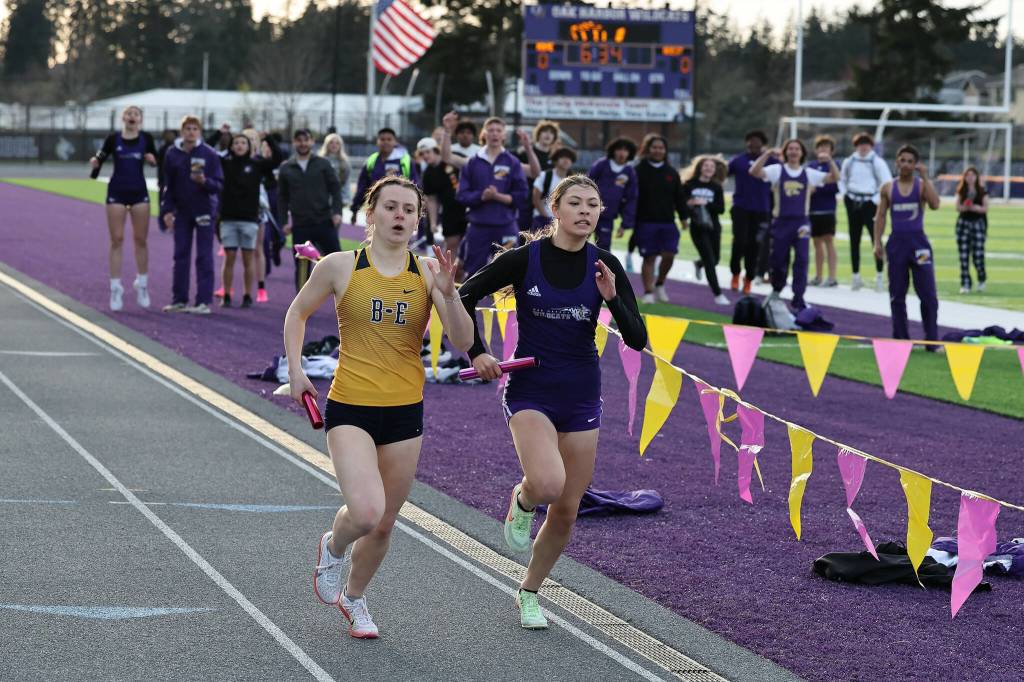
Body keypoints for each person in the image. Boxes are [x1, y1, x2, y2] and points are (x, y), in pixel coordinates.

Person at [284, 176, 474, 639]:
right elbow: (297, 313)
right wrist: (295, 370)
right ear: (370, 214)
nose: (400, 216)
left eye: (410, 210)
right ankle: (333, 545)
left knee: (385, 524)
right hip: (351, 405)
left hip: (406, 412)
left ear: (418, 219)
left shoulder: (429, 272)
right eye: (390, 207)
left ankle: (354, 597)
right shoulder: (339, 265)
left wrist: (450, 294)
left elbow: (465, 342)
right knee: (366, 513)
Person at [458, 175, 647, 629]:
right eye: (576, 203)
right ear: (555, 209)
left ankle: (529, 591)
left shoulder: (605, 265)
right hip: (531, 389)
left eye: (594, 205)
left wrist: (612, 300)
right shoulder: (526, 259)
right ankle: (523, 498)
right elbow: (465, 295)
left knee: (566, 510)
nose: (585, 211)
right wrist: (479, 352)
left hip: (582, 393)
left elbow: (638, 339)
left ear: (601, 213)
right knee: (546, 484)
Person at [750, 139, 839, 312]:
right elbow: (754, 171)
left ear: (802, 152)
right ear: (785, 152)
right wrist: (767, 154)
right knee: (778, 260)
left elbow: (835, 177)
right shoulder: (777, 170)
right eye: (790, 149)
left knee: (802, 260)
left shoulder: (808, 173)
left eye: (797, 149)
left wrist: (829, 161)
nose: (793, 151)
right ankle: (777, 289)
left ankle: (798, 298)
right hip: (781, 222)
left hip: (801, 223)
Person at [90, 105, 158, 311]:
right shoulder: (113, 139)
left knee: (140, 240)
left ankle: (142, 284)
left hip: (139, 192)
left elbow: (156, 161)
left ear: (140, 120)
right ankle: (115, 287)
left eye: (136, 114)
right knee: (117, 239)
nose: (132, 117)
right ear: (123, 118)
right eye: (129, 114)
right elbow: (99, 158)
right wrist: (94, 167)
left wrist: (153, 161)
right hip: (117, 192)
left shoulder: (146, 138)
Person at [873, 145, 941, 345]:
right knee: (897, 294)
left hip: (919, 244)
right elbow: (881, 216)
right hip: (896, 244)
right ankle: (901, 339)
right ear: (897, 162)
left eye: (910, 161)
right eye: (902, 160)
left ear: (916, 164)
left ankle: (931, 340)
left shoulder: (921, 186)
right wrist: (877, 242)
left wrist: (926, 177)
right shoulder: (887, 187)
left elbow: (935, 204)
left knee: (928, 294)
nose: (906, 164)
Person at [160, 115, 224, 315]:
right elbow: (167, 185)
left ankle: (203, 301)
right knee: (180, 256)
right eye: (187, 128)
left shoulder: (209, 154)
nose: (191, 132)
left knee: (204, 256)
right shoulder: (172, 154)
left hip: (204, 210)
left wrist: (204, 181)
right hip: (181, 212)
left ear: (200, 132)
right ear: (181, 131)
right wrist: (166, 211)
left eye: (195, 128)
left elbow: (219, 185)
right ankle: (179, 299)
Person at [455, 117, 529, 278]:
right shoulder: (473, 162)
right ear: (484, 134)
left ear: (504, 136)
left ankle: (508, 305)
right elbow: (462, 195)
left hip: (506, 226)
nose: (494, 134)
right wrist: (482, 196)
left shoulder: (513, 162)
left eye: (498, 130)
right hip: (478, 227)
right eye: (491, 130)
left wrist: (498, 197)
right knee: (473, 273)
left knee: (509, 272)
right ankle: (470, 303)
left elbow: (522, 195)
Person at [218, 133, 281, 308]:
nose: (239, 145)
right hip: (228, 219)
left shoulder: (257, 165)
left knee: (247, 259)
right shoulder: (225, 164)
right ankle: (227, 294)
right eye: (236, 142)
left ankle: (247, 295)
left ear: (249, 146)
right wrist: (219, 134)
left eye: (243, 143)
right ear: (231, 146)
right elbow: (209, 153)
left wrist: (268, 138)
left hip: (249, 220)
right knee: (229, 257)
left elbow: (277, 159)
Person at [277, 129, 344, 290]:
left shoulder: (323, 163)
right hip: (300, 225)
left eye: (306, 140)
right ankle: (301, 310)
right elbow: (282, 198)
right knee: (301, 269)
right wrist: (284, 222)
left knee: (339, 263)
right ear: (294, 143)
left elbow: (335, 189)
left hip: (324, 222)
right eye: (299, 140)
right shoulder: (286, 168)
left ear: (312, 142)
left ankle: (346, 301)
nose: (303, 143)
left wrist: (337, 212)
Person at [634, 133, 687, 304]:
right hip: (645, 222)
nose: (658, 150)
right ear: (648, 149)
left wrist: (684, 217)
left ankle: (660, 284)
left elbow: (679, 197)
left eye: (661, 148)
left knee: (669, 254)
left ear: (665, 151)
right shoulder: (638, 171)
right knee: (649, 257)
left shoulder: (671, 172)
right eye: (654, 147)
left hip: (668, 222)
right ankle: (648, 292)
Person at [840, 132, 892, 291]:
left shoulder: (877, 161)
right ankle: (855, 276)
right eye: (860, 144)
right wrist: (846, 196)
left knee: (876, 239)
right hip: (853, 201)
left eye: (866, 144)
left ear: (871, 146)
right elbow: (842, 180)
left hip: (870, 202)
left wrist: (875, 199)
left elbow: (886, 181)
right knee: (853, 240)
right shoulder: (849, 161)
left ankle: (879, 276)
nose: (863, 148)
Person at [727, 130, 777, 294]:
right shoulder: (738, 161)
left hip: (761, 209)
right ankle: (735, 273)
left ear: (763, 144)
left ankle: (748, 278)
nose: (753, 144)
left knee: (754, 246)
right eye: (750, 141)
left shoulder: (772, 162)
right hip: (741, 207)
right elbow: (722, 174)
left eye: (756, 141)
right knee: (739, 241)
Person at [681, 155, 730, 306]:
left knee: (715, 259)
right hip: (698, 227)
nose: (708, 168)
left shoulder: (716, 187)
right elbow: (682, 206)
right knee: (709, 259)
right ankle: (718, 294)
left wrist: (705, 202)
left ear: (715, 170)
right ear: (699, 168)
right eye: (705, 166)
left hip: (714, 227)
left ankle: (698, 264)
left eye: (711, 166)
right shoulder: (689, 185)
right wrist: (689, 203)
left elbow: (721, 209)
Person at [420, 136, 467, 279]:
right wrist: (433, 222)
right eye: (422, 154)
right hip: (450, 212)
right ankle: (448, 279)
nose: (425, 156)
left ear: (436, 150)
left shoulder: (454, 159)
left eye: (428, 152)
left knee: (470, 247)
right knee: (451, 245)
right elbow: (432, 200)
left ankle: (466, 276)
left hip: (469, 208)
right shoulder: (428, 174)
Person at [350, 127, 419, 222]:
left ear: (395, 142)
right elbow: (362, 187)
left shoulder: (405, 160)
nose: (385, 142)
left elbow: (415, 185)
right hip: (376, 209)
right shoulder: (371, 161)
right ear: (377, 142)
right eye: (382, 139)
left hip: (399, 212)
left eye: (389, 139)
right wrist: (355, 209)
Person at [590, 137, 638, 252]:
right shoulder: (601, 165)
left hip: (607, 216)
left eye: (625, 150)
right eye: (619, 149)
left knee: (603, 248)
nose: (622, 153)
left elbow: (631, 198)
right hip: (588, 211)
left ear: (630, 153)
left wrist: (624, 224)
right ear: (613, 151)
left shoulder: (629, 172)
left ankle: (599, 270)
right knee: (577, 242)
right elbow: (586, 183)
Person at [808, 135, 840, 287]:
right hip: (813, 210)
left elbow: (835, 185)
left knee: (829, 241)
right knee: (816, 243)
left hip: (827, 210)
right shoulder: (811, 166)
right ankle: (818, 276)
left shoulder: (834, 166)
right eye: (820, 147)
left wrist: (818, 187)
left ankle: (832, 277)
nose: (823, 150)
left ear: (831, 151)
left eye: (826, 147)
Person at [954, 166, 989, 294]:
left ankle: (981, 278)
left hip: (978, 223)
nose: (970, 177)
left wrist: (975, 207)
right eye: (967, 175)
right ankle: (965, 283)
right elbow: (957, 207)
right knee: (963, 256)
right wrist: (965, 207)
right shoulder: (961, 190)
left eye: (972, 175)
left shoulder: (982, 190)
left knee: (978, 256)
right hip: (963, 224)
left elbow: (985, 207)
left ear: (976, 176)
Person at [515, 121, 554, 232]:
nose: (548, 134)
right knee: (521, 236)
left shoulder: (556, 157)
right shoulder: (525, 152)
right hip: (525, 202)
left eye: (551, 132)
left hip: (545, 204)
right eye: (544, 131)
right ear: (538, 134)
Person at [531, 147, 577, 231]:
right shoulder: (545, 176)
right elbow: (536, 199)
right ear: (555, 159)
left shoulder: (574, 181)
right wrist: (546, 217)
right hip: (542, 220)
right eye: (563, 157)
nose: (566, 160)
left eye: (569, 158)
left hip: (564, 222)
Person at [320, 133, 353, 213]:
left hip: (338, 200)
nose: (334, 145)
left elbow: (346, 183)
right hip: (320, 200)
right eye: (331, 142)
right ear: (326, 144)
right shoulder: (319, 161)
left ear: (340, 145)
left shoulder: (345, 163)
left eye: (337, 143)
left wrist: (346, 199)